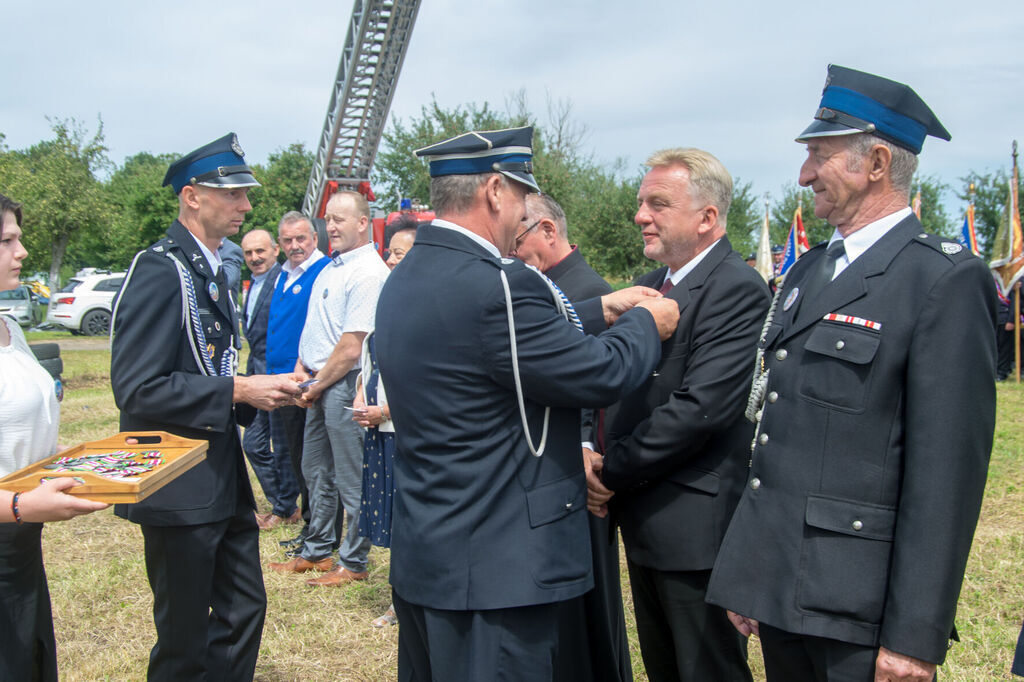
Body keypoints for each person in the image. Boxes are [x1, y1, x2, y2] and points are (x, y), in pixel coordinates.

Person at [706, 65, 997, 682]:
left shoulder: (941, 280)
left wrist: (914, 636)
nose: (805, 173)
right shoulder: (811, 271)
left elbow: (946, 475)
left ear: (877, 163)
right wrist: (754, 576)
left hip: (859, 608)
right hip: (785, 590)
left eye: (821, 155)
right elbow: (777, 437)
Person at [375, 125, 680, 681]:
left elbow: (488, 345)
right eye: (520, 197)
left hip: (433, 557)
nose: (523, 215)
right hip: (495, 573)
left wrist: (599, 311)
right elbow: (599, 372)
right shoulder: (500, 286)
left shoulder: (410, 273)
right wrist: (644, 324)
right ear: (494, 190)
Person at [110, 133, 303, 681]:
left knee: (244, 609)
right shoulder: (160, 268)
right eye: (235, 193)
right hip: (178, 484)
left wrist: (256, 384)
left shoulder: (215, 267)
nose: (246, 205)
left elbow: (207, 365)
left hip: (219, 474)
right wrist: (238, 391)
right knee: (184, 634)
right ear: (192, 197)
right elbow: (137, 387)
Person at [589, 148, 768, 682]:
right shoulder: (651, 284)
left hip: (694, 529)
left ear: (707, 217)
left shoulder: (735, 287)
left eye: (658, 203)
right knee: (665, 667)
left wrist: (609, 471)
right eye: (641, 202)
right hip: (647, 514)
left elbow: (701, 409)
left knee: (705, 669)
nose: (640, 215)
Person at [512, 192, 630, 682]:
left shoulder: (584, 289)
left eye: (517, 238)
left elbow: (600, 387)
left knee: (592, 614)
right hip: (553, 474)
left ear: (546, 230)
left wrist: (584, 445)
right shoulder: (544, 286)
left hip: (581, 473)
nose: (512, 251)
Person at [0, 192, 108, 682]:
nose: (22, 252)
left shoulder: (8, 328)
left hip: (20, 545)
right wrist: (21, 506)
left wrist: (77, 465)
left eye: (18, 238)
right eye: (7, 241)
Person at [269, 190, 389, 587]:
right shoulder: (333, 267)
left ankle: (353, 563)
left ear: (363, 222)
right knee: (315, 470)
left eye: (339, 219)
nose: (331, 226)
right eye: (328, 219)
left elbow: (353, 344)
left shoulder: (368, 272)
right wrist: (303, 367)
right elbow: (316, 328)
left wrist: (317, 384)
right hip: (321, 383)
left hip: (343, 386)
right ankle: (318, 551)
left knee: (351, 478)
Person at [353, 225, 418, 628]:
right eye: (390, 253)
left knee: (410, 522)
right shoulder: (387, 302)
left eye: (400, 253)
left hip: (406, 436)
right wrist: (361, 395)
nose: (391, 260)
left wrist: (386, 412)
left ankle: (411, 602)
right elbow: (370, 362)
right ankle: (401, 600)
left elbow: (427, 382)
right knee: (392, 521)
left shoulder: (428, 309)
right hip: (380, 434)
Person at [265, 212, 330, 548]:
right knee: (295, 455)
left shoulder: (323, 272)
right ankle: (310, 527)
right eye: (287, 240)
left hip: (306, 380)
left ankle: (319, 533)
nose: (294, 246)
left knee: (313, 461)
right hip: (281, 378)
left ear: (314, 239)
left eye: (300, 239)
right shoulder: (283, 274)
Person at [240, 229, 300, 529]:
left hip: (278, 375)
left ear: (275, 250)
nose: (255, 258)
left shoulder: (283, 279)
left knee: (282, 445)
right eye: (249, 253)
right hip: (256, 375)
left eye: (260, 251)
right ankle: (284, 501)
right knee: (253, 443)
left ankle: (285, 506)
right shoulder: (252, 284)